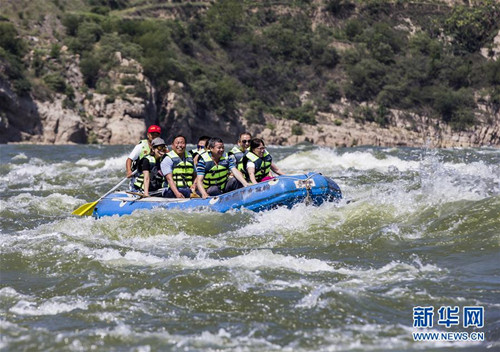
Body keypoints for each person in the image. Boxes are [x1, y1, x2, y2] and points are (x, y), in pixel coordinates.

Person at [125, 125, 164, 190]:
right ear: (148, 135)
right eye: (152, 134)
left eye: (156, 135)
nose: (154, 137)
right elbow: (129, 160)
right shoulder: (141, 146)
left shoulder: (162, 147)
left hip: (154, 178)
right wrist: (129, 171)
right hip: (140, 178)